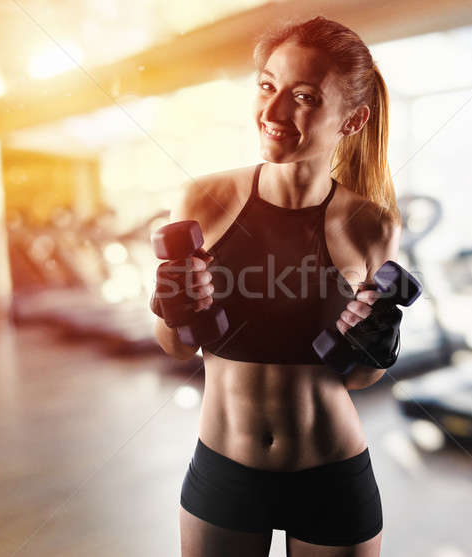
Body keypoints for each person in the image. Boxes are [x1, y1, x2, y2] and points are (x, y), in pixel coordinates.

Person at [154, 15, 402, 557]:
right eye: (268, 85)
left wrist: (379, 345)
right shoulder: (204, 198)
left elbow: (360, 376)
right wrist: (172, 307)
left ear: (353, 120)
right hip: (224, 472)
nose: (273, 111)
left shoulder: (373, 224)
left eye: (305, 97)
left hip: (332, 477)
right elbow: (176, 345)